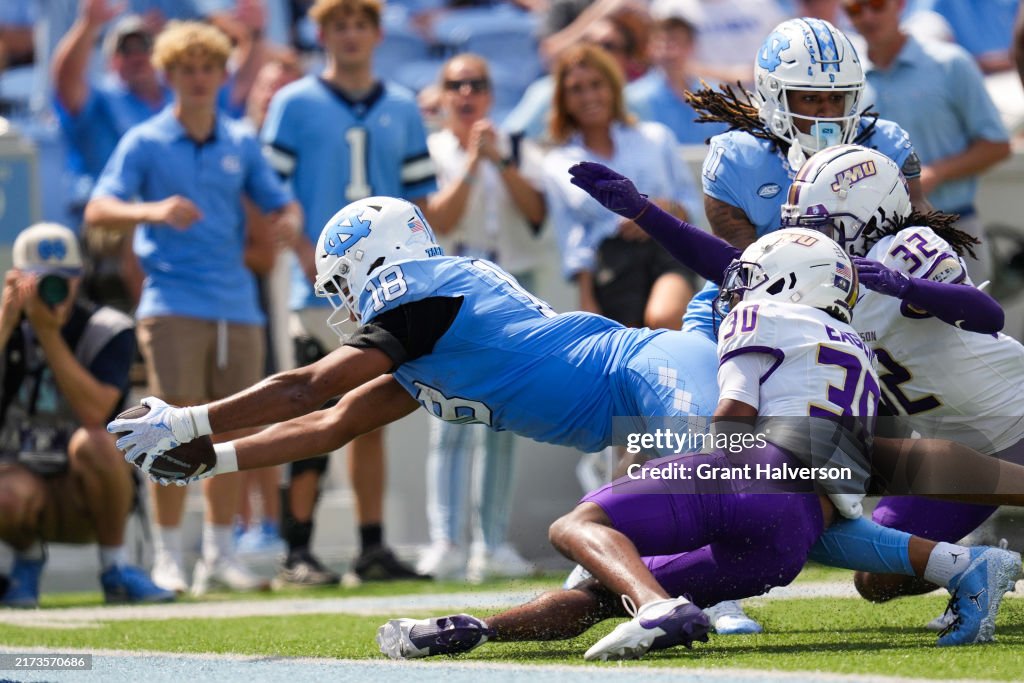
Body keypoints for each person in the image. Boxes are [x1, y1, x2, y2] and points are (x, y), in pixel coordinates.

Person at [111, 195, 1021, 653]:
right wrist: (213, 455)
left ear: (371, 269)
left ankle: (685, 604)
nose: (347, 308)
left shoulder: (424, 300)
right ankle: (960, 558)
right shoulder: (430, 349)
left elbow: (309, 385)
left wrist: (186, 413)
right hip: (645, 385)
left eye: (345, 288)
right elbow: (332, 424)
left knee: (805, 479)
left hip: (650, 373)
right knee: (822, 483)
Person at [371, 167, 1022, 660]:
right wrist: (651, 215)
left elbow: (732, 424)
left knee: (584, 524)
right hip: (807, 507)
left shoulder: (777, 308)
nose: (740, 278)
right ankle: (477, 629)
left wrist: (674, 459)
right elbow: (844, 484)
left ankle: (653, 606)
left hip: (776, 477)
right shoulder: (842, 329)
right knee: (621, 576)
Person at [678, 17, 927, 631]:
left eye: (834, 99)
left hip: (852, 327)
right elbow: (749, 272)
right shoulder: (734, 155)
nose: (822, 112)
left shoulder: (888, 145)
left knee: (838, 493)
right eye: (807, 98)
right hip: (745, 316)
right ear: (772, 97)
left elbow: (914, 239)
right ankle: (707, 582)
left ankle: (944, 551)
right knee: (713, 436)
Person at [83, 20, 302, 596]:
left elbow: (280, 203)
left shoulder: (240, 140)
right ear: (168, 75)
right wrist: (150, 213)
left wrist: (292, 222)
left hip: (239, 308)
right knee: (166, 430)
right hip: (172, 304)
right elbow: (99, 210)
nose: (199, 78)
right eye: (187, 69)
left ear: (222, 73)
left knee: (231, 428)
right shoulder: (145, 141)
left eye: (208, 67)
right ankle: (169, 557)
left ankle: (219, 555)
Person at [778, 143, 1024, 629]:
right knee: (876, 577)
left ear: (866, 216)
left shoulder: (902, 249)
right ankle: (979, 566)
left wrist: (906, 287)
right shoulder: (829, 282)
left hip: (1017, 423)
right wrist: (646, 213)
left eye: (821, 225)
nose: (810, 239)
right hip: (952, 450)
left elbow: (987, 315)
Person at [260, 0, 437, 587]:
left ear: (378, 33)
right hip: (316, 292)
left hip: (384, 290)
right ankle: (297, 548)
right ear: (322, 33)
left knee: (368, 415)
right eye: (340, 25)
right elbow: (266, 192)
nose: (352, 35)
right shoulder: (294, 102)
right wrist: (299, 249)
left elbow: (421, 202)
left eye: (361, 24)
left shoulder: (403, 106)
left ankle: (370, 546)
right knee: (308, 405)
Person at [417, 53, 546, 581]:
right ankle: (446, 541)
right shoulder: (429, 150)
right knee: (445, 419)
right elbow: (437, 218)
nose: (466, 93)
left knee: (500, 422)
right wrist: (473, 164)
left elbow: (537, 216)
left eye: (476, 83)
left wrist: (500, 161)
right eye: (456, 84)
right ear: (442, 94)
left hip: (511, 287)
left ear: (491, 92)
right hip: (447, 288)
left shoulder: (516, 145)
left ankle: (489, 543)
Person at [0, 222, 175, 608]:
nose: (53, 291)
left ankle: (115, 567)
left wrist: (49, 335)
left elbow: (94, 412)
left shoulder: (107, 328)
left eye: (64, 280)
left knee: (94, 441)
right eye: (40, 281)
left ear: (80, 279)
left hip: (88, 494)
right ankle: (25, 562)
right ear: (17, 280)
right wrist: (6, 324)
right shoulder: (6, 324)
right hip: (20, 486)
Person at [843, 0, 1011, 282]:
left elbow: (996, 145)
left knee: (972, 325)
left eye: (876, 5)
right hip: (876, 242)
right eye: (855, 10)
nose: (867, 17)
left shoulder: (950, 64)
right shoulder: (847, 76)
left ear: (900, 5)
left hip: (955, 228)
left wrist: (935, 174)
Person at [544, 43, 700, 330]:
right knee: (632, 353)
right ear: (562, 99)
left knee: (664, 317)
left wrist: (662, 210)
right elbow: (574, 238)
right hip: (612, 265)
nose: (588, 95)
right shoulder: (557, 162)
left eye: (596, 84)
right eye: (576, 89)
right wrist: (586, 299)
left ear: (613, 87)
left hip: (665, 245)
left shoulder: (656, 137)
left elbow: (691, 203)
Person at [625, 4, 728, 146]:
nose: (668, 50)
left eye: (675, 41)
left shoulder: (715, 94)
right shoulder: (633, 97)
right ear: (650, 48)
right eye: (660, 42)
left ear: (691, 46)